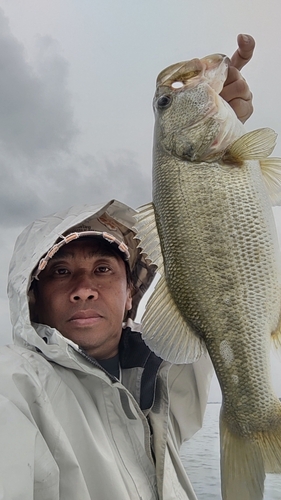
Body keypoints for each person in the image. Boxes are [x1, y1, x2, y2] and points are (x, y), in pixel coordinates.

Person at [0, 35, 255, 500]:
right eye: (60, 272)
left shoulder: (154, 395)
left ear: (131, 293)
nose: (83, 289)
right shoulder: (15, 390)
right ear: (31, 296)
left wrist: (228, 129)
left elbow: (201, 311)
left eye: (103, 269)